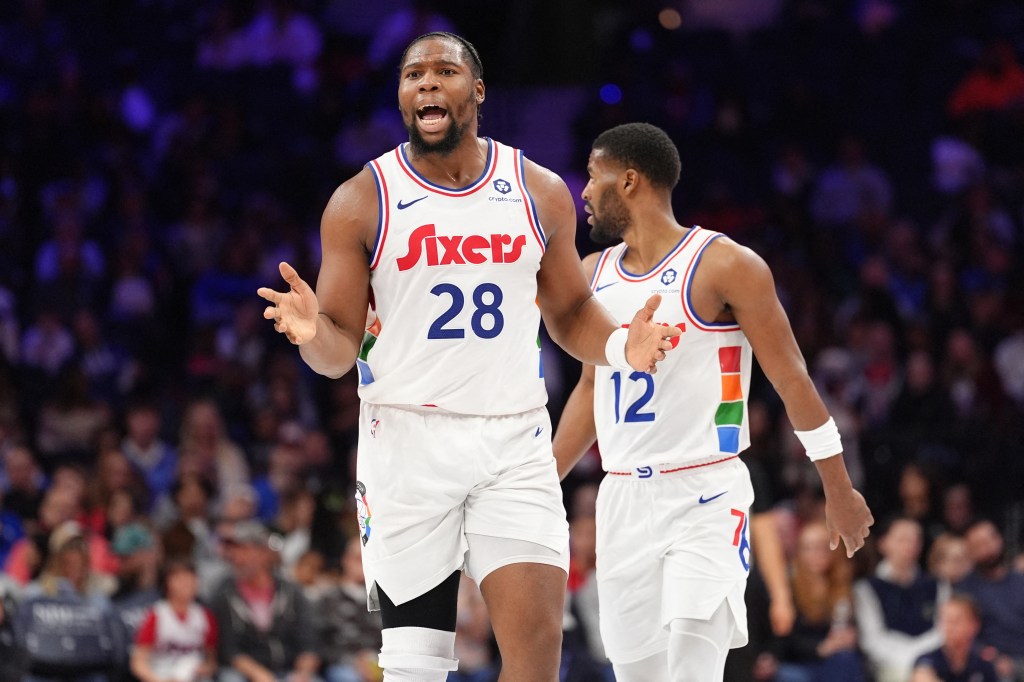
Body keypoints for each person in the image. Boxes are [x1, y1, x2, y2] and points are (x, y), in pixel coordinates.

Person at [256, 32, 677, 682]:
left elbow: (567, 314)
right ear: (401, 98)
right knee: (416, 668)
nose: (426, 82)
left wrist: (624, 345)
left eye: (443, 71)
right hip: (406, 442)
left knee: (538, 654)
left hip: (511, 438)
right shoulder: (360, 201)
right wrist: (315, 333)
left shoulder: (538, 191)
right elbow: (337, 355)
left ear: (476, 91)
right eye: (412, 74)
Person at [551, 122, 874, 682]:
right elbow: (588, 389)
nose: (582, 190)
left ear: (629, 181)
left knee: (694, 668)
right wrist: (538, 484)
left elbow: (792, 378)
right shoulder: (591, 274)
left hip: (706, 489)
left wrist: (837, 486)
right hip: (622, 495)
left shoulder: (726, 264)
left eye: (592, 175)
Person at [853, 516, 947, 682]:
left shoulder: (937, 584)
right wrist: (910, 659)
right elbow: (872, 640)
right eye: (902, 539)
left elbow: (943, 629)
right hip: (888, 664)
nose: (910, 545)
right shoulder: (867, 588)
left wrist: (922, 658)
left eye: (916, 539)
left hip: (932, 659)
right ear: (883, 543)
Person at [911, 594, 997, 682]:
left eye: (955, 621)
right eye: (944, 620)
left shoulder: (984, 665)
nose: (948, 627)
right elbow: (922, 677)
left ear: (974, 625)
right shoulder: (927, 660)